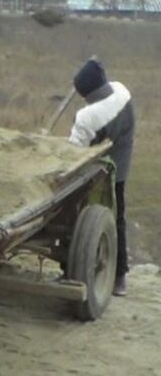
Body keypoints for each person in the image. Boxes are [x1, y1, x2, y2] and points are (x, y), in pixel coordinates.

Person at [68, 59, 135, 296]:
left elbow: (73, 152)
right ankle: (120, 277)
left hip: (96, 173)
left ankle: (72, 267)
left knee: (76, 215)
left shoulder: (88, 116)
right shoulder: (122, 91)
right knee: (118, 218)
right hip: (122, 164)